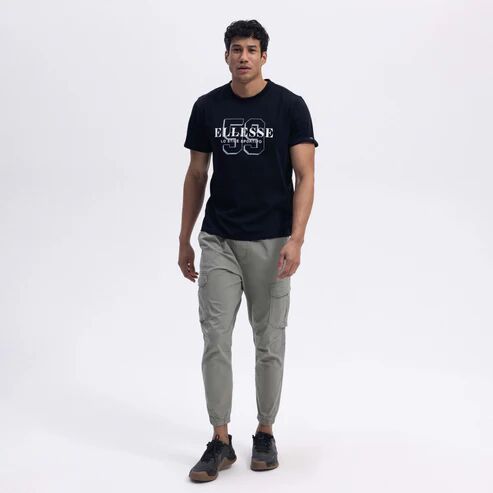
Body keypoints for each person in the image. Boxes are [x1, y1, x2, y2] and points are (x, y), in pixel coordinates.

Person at [178, 19, 318, 482]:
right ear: (226, 56)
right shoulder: (207, 107)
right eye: (236, 49)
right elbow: (196, 174)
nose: (243, 57)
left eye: (252, 49)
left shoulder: (290, 106)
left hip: (273, 241)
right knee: (215, 339)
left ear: (264, 57)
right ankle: (220, 440)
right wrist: (184, 238)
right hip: (219, 238)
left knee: (269, 342)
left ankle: (265, 432)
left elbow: (306, 176)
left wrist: (296, 238)